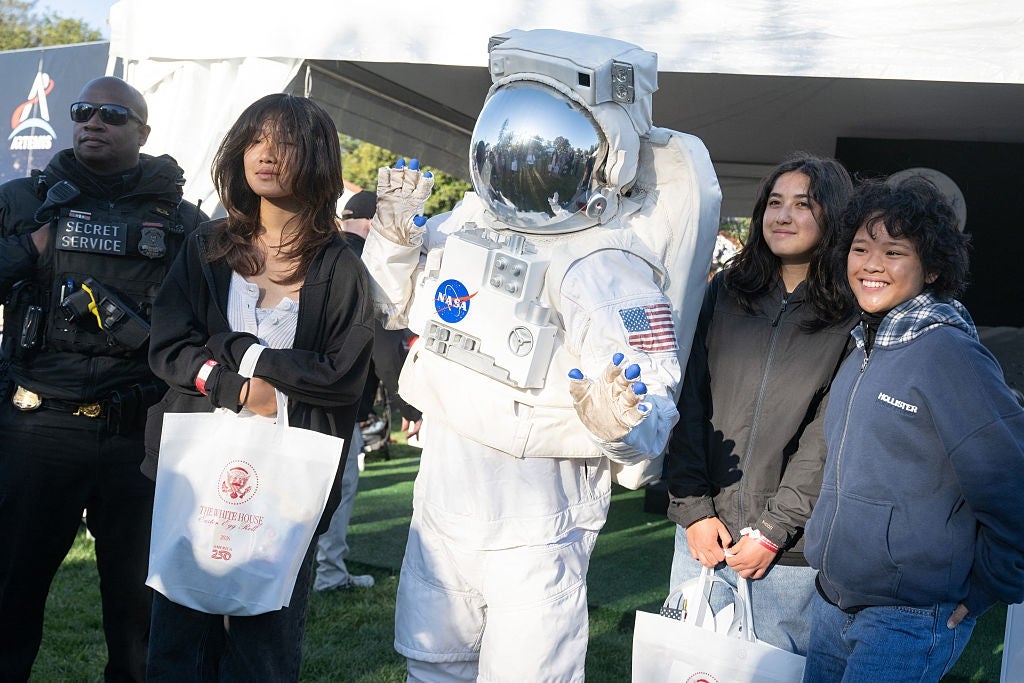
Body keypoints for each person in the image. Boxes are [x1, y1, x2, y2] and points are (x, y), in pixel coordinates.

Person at [361, 29, 720, 681]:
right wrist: (391, 240)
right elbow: (393, 306)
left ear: (606, 156)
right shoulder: (467, 223)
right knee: (433, 663)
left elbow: (652, 408)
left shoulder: (609, 267)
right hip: (446, 485)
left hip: (540, 513)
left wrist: (623, 418)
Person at [142, 93, 374, 680]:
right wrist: (237, 388)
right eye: (255, 139)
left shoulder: (340, 266)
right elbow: (169, 346)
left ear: (318, 158)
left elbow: (343, 377)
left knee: (263, 649)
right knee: (177, 642)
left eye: (286, 142)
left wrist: (244, 351)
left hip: (289, 475)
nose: (265, 154)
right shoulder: (206, 246)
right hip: (192, 472)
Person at [0, 76, 207, 682]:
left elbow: (210, 313)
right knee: (10, 599)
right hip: (37, 429)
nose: (94, 122)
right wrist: (37, 246)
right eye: (84, 111)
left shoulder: (182, 220)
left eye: (113, 115)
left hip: (136, 438)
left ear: (143, 132)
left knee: (139, 612)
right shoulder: (22, 201)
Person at [801, 175, 1024, 682]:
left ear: (933, 269)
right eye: (860, 248)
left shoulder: (948, 353)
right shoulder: (864, 344)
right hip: (832, 603)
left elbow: (1012, 482)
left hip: (908, 619)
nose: (872, 264)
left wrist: (987, 586)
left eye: (894, 251)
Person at [663, 154, 856, 655]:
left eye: (802, 205)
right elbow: (688, 397)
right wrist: (693, 509)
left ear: (832, 217)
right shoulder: (727, 291)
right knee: (688, 665)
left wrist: (774, 530)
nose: (783, 216)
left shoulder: (850, 313)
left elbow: (828, 433)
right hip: (704, 537)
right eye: (774, 203)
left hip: (786, 553)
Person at [313, 189, 421, 593]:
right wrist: (407, 404)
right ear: (373, 223)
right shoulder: (366, 264)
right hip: (337, 402)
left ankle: (296, 573)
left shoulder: (318, 251)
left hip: (292, 390)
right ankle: (329, 574)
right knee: (337, 490)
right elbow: (383, 345)